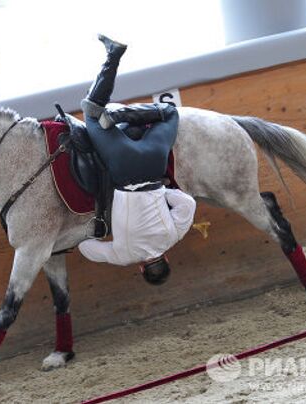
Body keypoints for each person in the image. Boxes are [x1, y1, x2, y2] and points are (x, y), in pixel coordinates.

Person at [77, 34, 196, 285]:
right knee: (91, 113)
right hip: (123, 166)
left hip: (154, 165)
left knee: (171, 113)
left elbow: (187, 204)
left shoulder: (173, 237)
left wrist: (164, 194)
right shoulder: (124, 256)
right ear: (142, 269)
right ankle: (113, 56)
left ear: (167, 260)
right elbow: (87, 248)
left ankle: (122, 114)